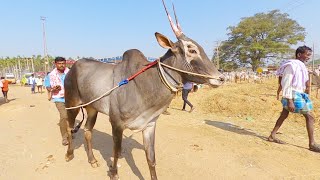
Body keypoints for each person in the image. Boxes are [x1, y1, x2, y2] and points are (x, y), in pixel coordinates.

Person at [268, 45, 320, 152]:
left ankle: (272, 135)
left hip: (299, 94)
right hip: (292, 94)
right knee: (310, 117)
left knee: (284, 114)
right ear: (299, 54)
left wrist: (305, 92)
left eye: (310, 55)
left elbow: (304, 81)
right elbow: (286, 82)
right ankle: (312, 144)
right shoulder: (291, 66)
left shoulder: (301, 66)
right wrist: (290, 100)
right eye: (307, 54)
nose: (309, 57)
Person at [46, 57, 70, 146]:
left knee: (70, 117)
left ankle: (69, 133)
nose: (61, 65)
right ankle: (64, 137)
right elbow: (47, 86)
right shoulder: (51, 75)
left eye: (63, 63)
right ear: (55, 64)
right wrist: (52, 89)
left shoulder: (70, 73)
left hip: (71, 98)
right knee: (64, 116)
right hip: (59, 98)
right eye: (59, 63)